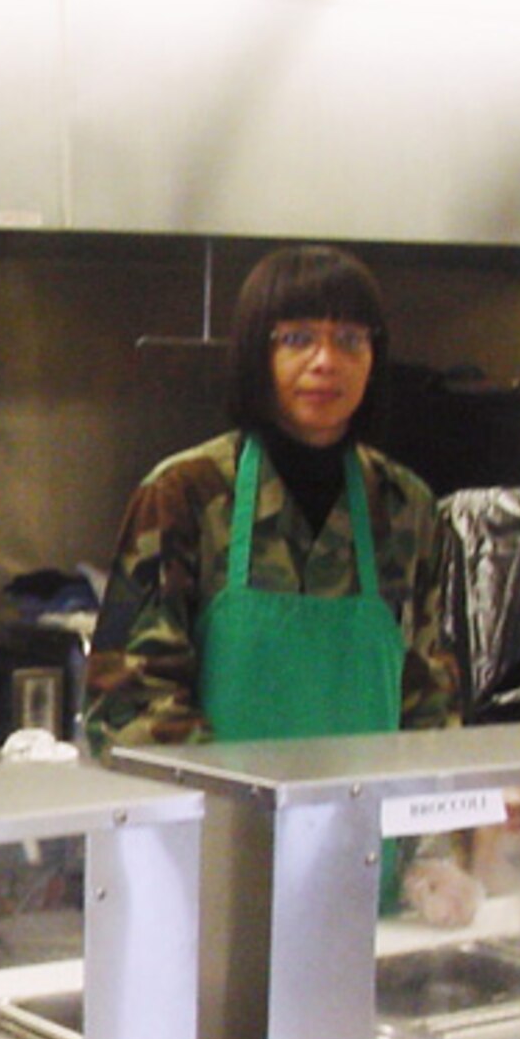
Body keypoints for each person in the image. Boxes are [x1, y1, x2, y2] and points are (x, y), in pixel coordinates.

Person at [83, 243, 485, 926]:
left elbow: (429, 701)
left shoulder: (407, 506)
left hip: (364, 881)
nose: (325, 361)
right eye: (297, 337)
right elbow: (128, 709)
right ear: (256, 355)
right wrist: (265, 830)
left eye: (349, 339)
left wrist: (436, 846)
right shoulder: (184, 494)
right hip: (210, 884)